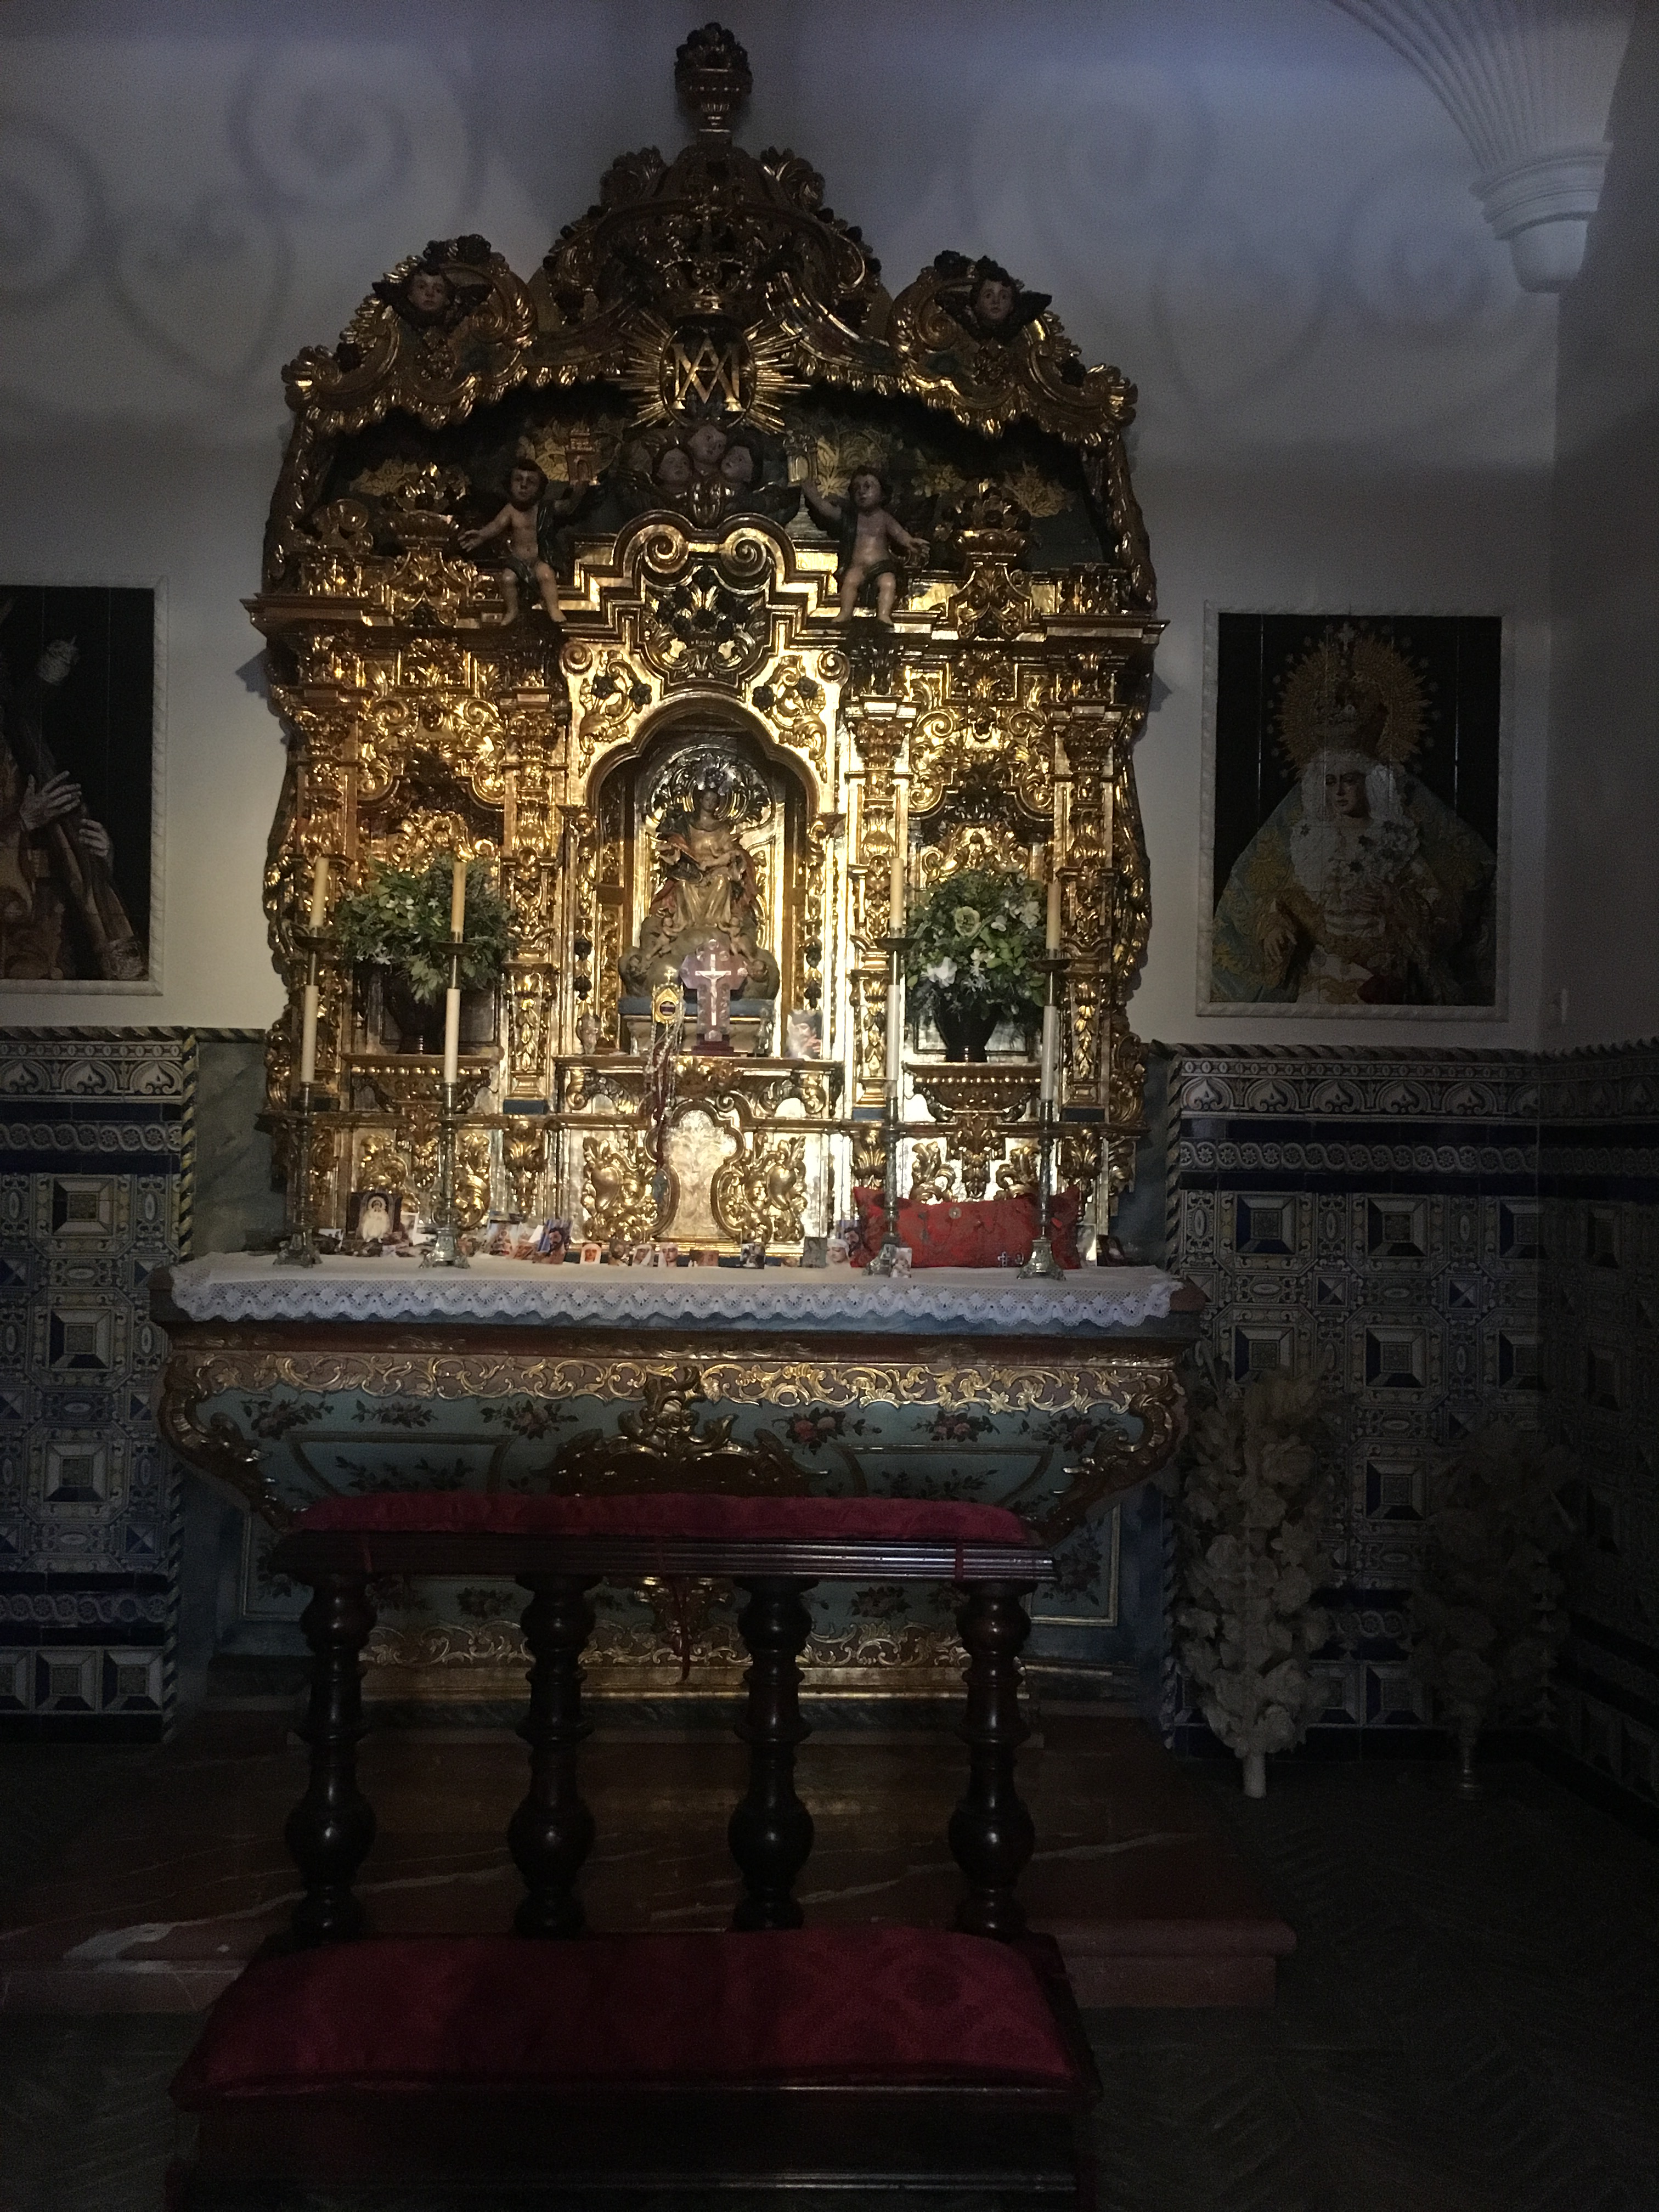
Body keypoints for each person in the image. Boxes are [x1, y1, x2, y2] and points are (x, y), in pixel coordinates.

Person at [1210, 686, 1496, 1006]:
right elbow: (1288, 900)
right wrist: (1276, 929)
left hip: (1382, 976)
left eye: (1349, 780)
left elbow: (1437, 912)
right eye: (1331, 781)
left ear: (1370, 782)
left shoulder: (1394, 839)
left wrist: (1391, 901)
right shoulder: (1311, 841)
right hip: (1321, 976)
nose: (1339, 791)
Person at [0, 620, 139, 981]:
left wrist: (103, 859)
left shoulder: (34, 750)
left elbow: (78, 871)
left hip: (54, 942)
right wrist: (23, 822)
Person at [620, 768, 780, 999]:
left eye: (714, 801)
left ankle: (718, 922)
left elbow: (731, 853)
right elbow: (677, 847)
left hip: (716, 873)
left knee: (722, 882)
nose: (710, 804)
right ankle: (686, 922)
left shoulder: (721, 829)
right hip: (691, 874)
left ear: (718, 804)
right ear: (699, 800)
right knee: (684, 885)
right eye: (706, 799)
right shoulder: (688, 826)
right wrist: (677, 854)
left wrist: (720, 862)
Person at [801, 469, 926, 624]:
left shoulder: (884, 518)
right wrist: (813, 494)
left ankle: (884, 614)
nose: (861, 492)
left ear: (883, 494)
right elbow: (827, 510)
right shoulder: (851, 518)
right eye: (857, 488)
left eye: (868, 486)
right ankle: (846, 612)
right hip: (857, 566)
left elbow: (899, 533)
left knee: (888, 583)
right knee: (850, 582)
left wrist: (910, 542)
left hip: (882, 565)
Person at [460, 459, 566, 624]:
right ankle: (512, 610)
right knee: (508, 579)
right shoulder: (511, 510)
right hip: (517, 561)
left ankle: (554, 608)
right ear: (510, 484)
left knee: (547, 576)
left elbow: (568, 507)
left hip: (538, 560)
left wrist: (579, 490)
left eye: (530, 482)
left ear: (539, 488)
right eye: (518, 480)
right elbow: (496, 526)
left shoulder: (543, 509)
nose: (523, 486)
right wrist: (482, 535)